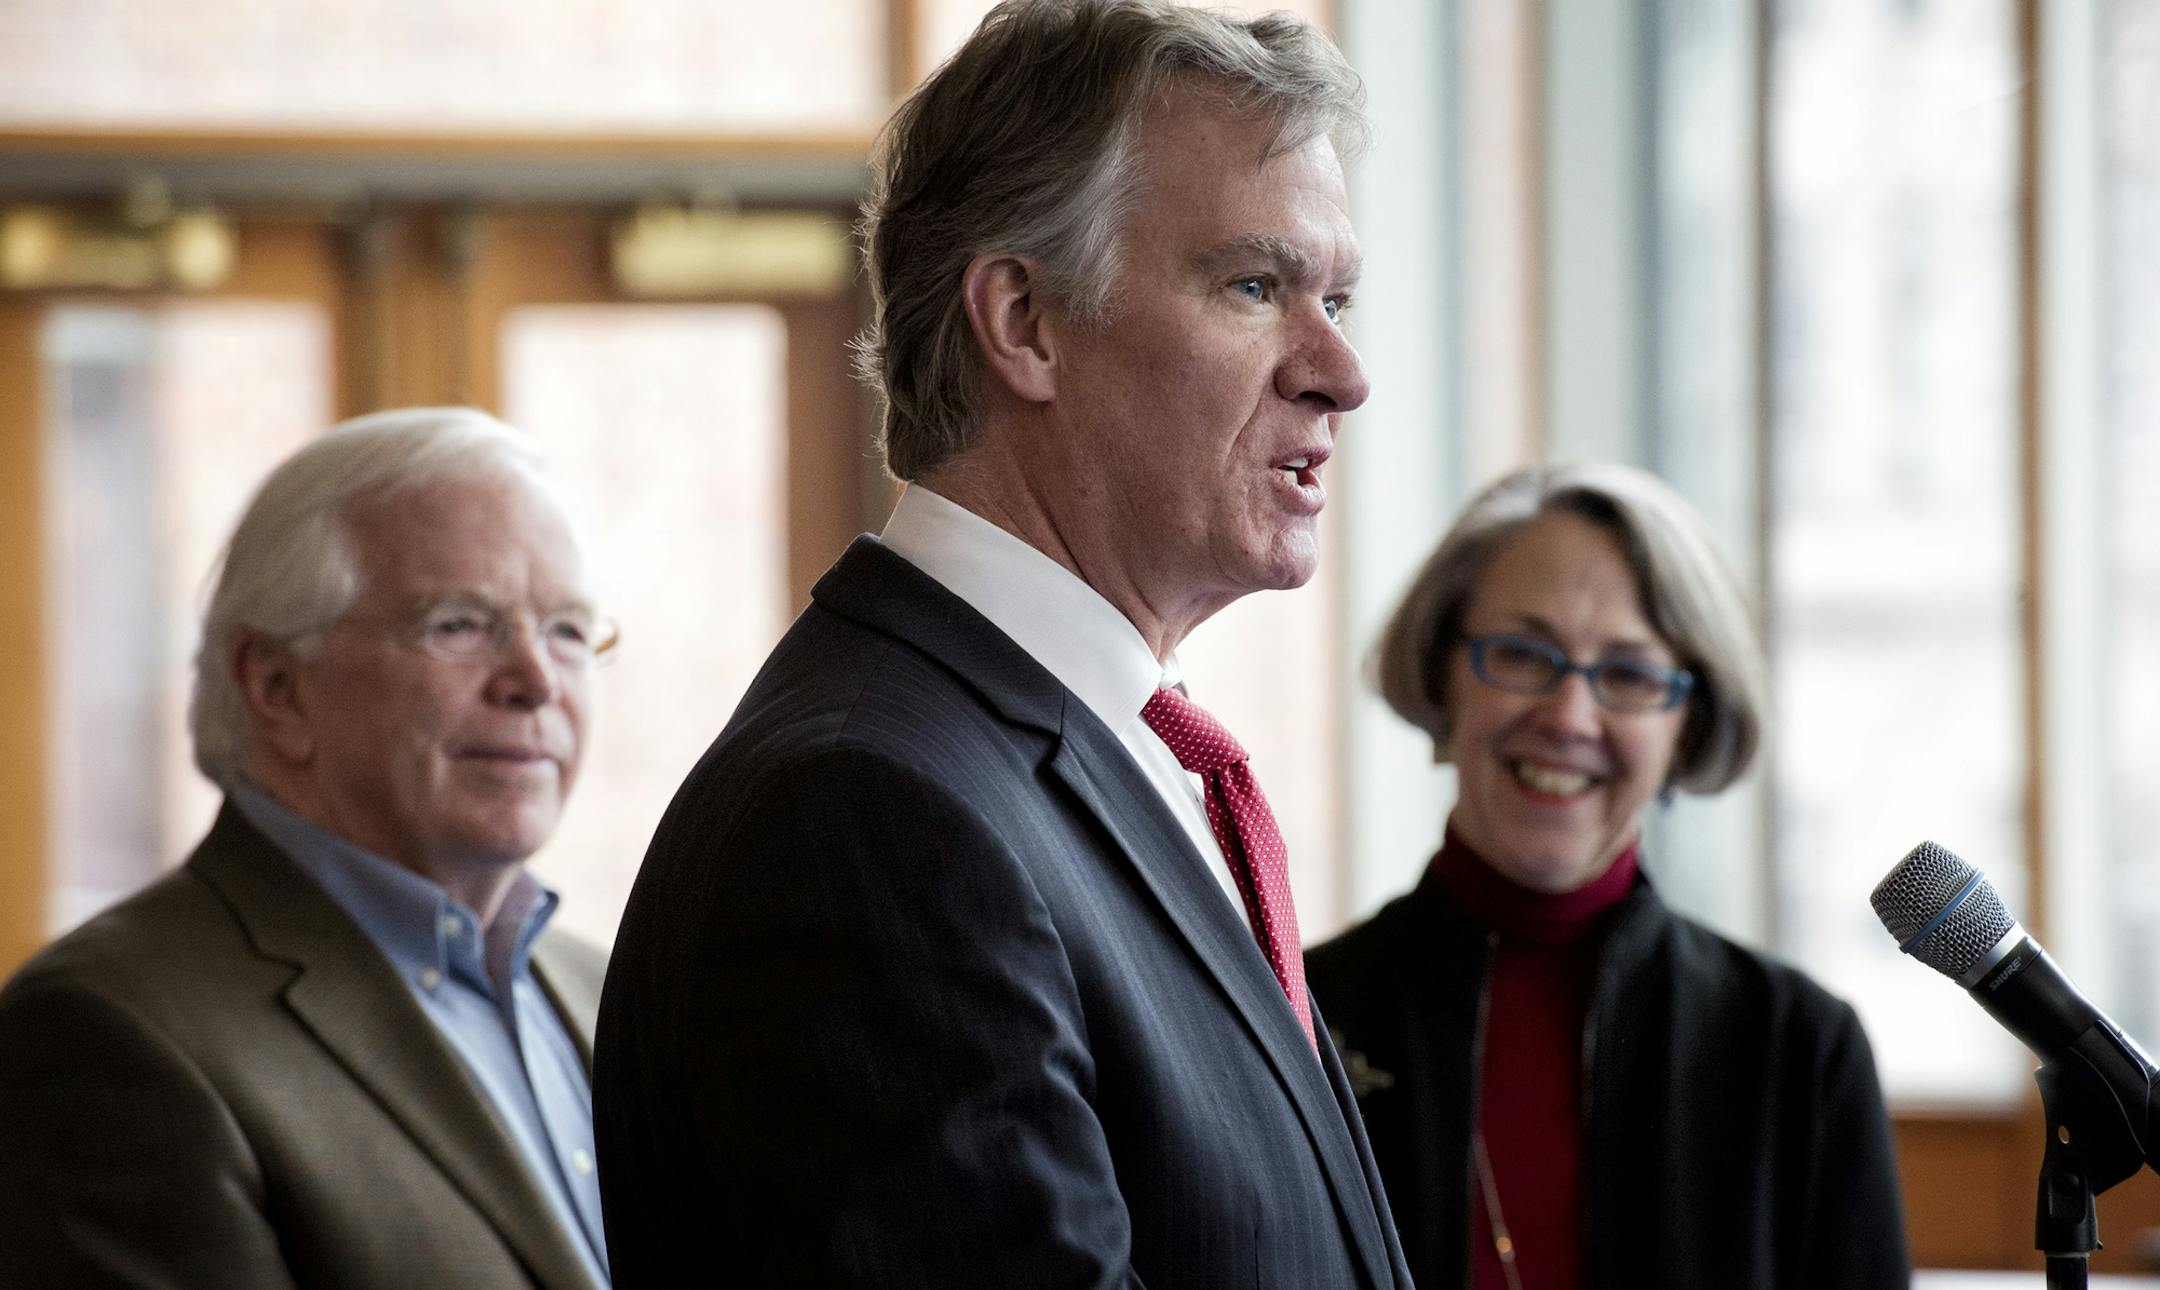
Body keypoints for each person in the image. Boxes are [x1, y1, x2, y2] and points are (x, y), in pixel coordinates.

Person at [594, 1, 1411, 1285]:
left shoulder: (1083, 758)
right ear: (1023, 321)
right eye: (1257, 286)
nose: (1341, 371)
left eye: (1339, 296)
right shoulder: (868, 818)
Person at [0, 408, 616, 1289]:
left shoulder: (610, 993)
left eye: (566, 629)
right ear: (277, 686)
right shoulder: (108, 1032)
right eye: (459, 625)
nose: (537, 681)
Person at [1306, 461, 1910, 1289]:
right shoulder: (1298, 1016)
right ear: (1446, 677)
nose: (1568, 716)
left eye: (1629, 674)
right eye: (1523, 654)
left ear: (1686, 733)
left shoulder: (1797, 1050)